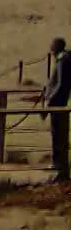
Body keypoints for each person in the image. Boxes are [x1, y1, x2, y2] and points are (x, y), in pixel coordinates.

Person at [46, 37, 70, 180]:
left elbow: (60, 84)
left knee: (58, 134)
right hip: (59, 103)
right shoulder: (64, 59)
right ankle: (60, 164)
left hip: (58, 104)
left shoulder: (62, 61)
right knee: (58, 134)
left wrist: (50, 100)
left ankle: (59, 164)